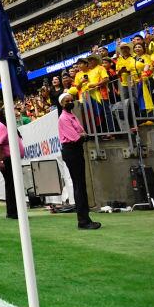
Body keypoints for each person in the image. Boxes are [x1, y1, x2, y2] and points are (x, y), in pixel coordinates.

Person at [57, 92, 100, 229]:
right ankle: (83, 220)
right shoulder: (64, 118)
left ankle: (85, 218)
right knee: (79, 185)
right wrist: (82, 136)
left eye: (71, 100)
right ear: (62, 104)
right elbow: (77, 136)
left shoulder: (71, 116)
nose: (70, 102)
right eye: (66, 101)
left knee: (80, 184)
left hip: (75, 150)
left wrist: (82, 136)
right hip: (71, 150)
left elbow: (82, 133)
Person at [0, 117, 21, 219]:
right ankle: (13, 212)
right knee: (11, 186)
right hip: (7, 160)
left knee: (14, 186)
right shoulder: (1, 126)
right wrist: (0, 161)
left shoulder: (7, 125)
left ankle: (15, 211)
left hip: (12, 160)